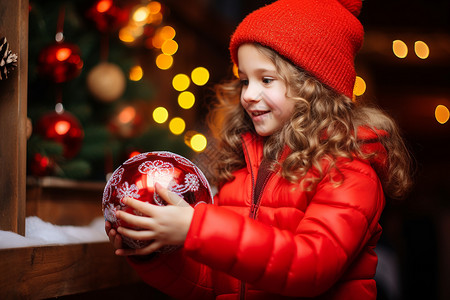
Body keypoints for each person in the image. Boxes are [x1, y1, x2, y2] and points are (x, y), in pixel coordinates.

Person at [105, 0, 412, 299]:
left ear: (313, 85)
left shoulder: (350, 168)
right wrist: (155, 252)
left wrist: (197, 228)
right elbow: (213, 282)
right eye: (244, 81)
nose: (249, 95)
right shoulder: (239, 164)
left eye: (266, 79)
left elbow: (310, 267)